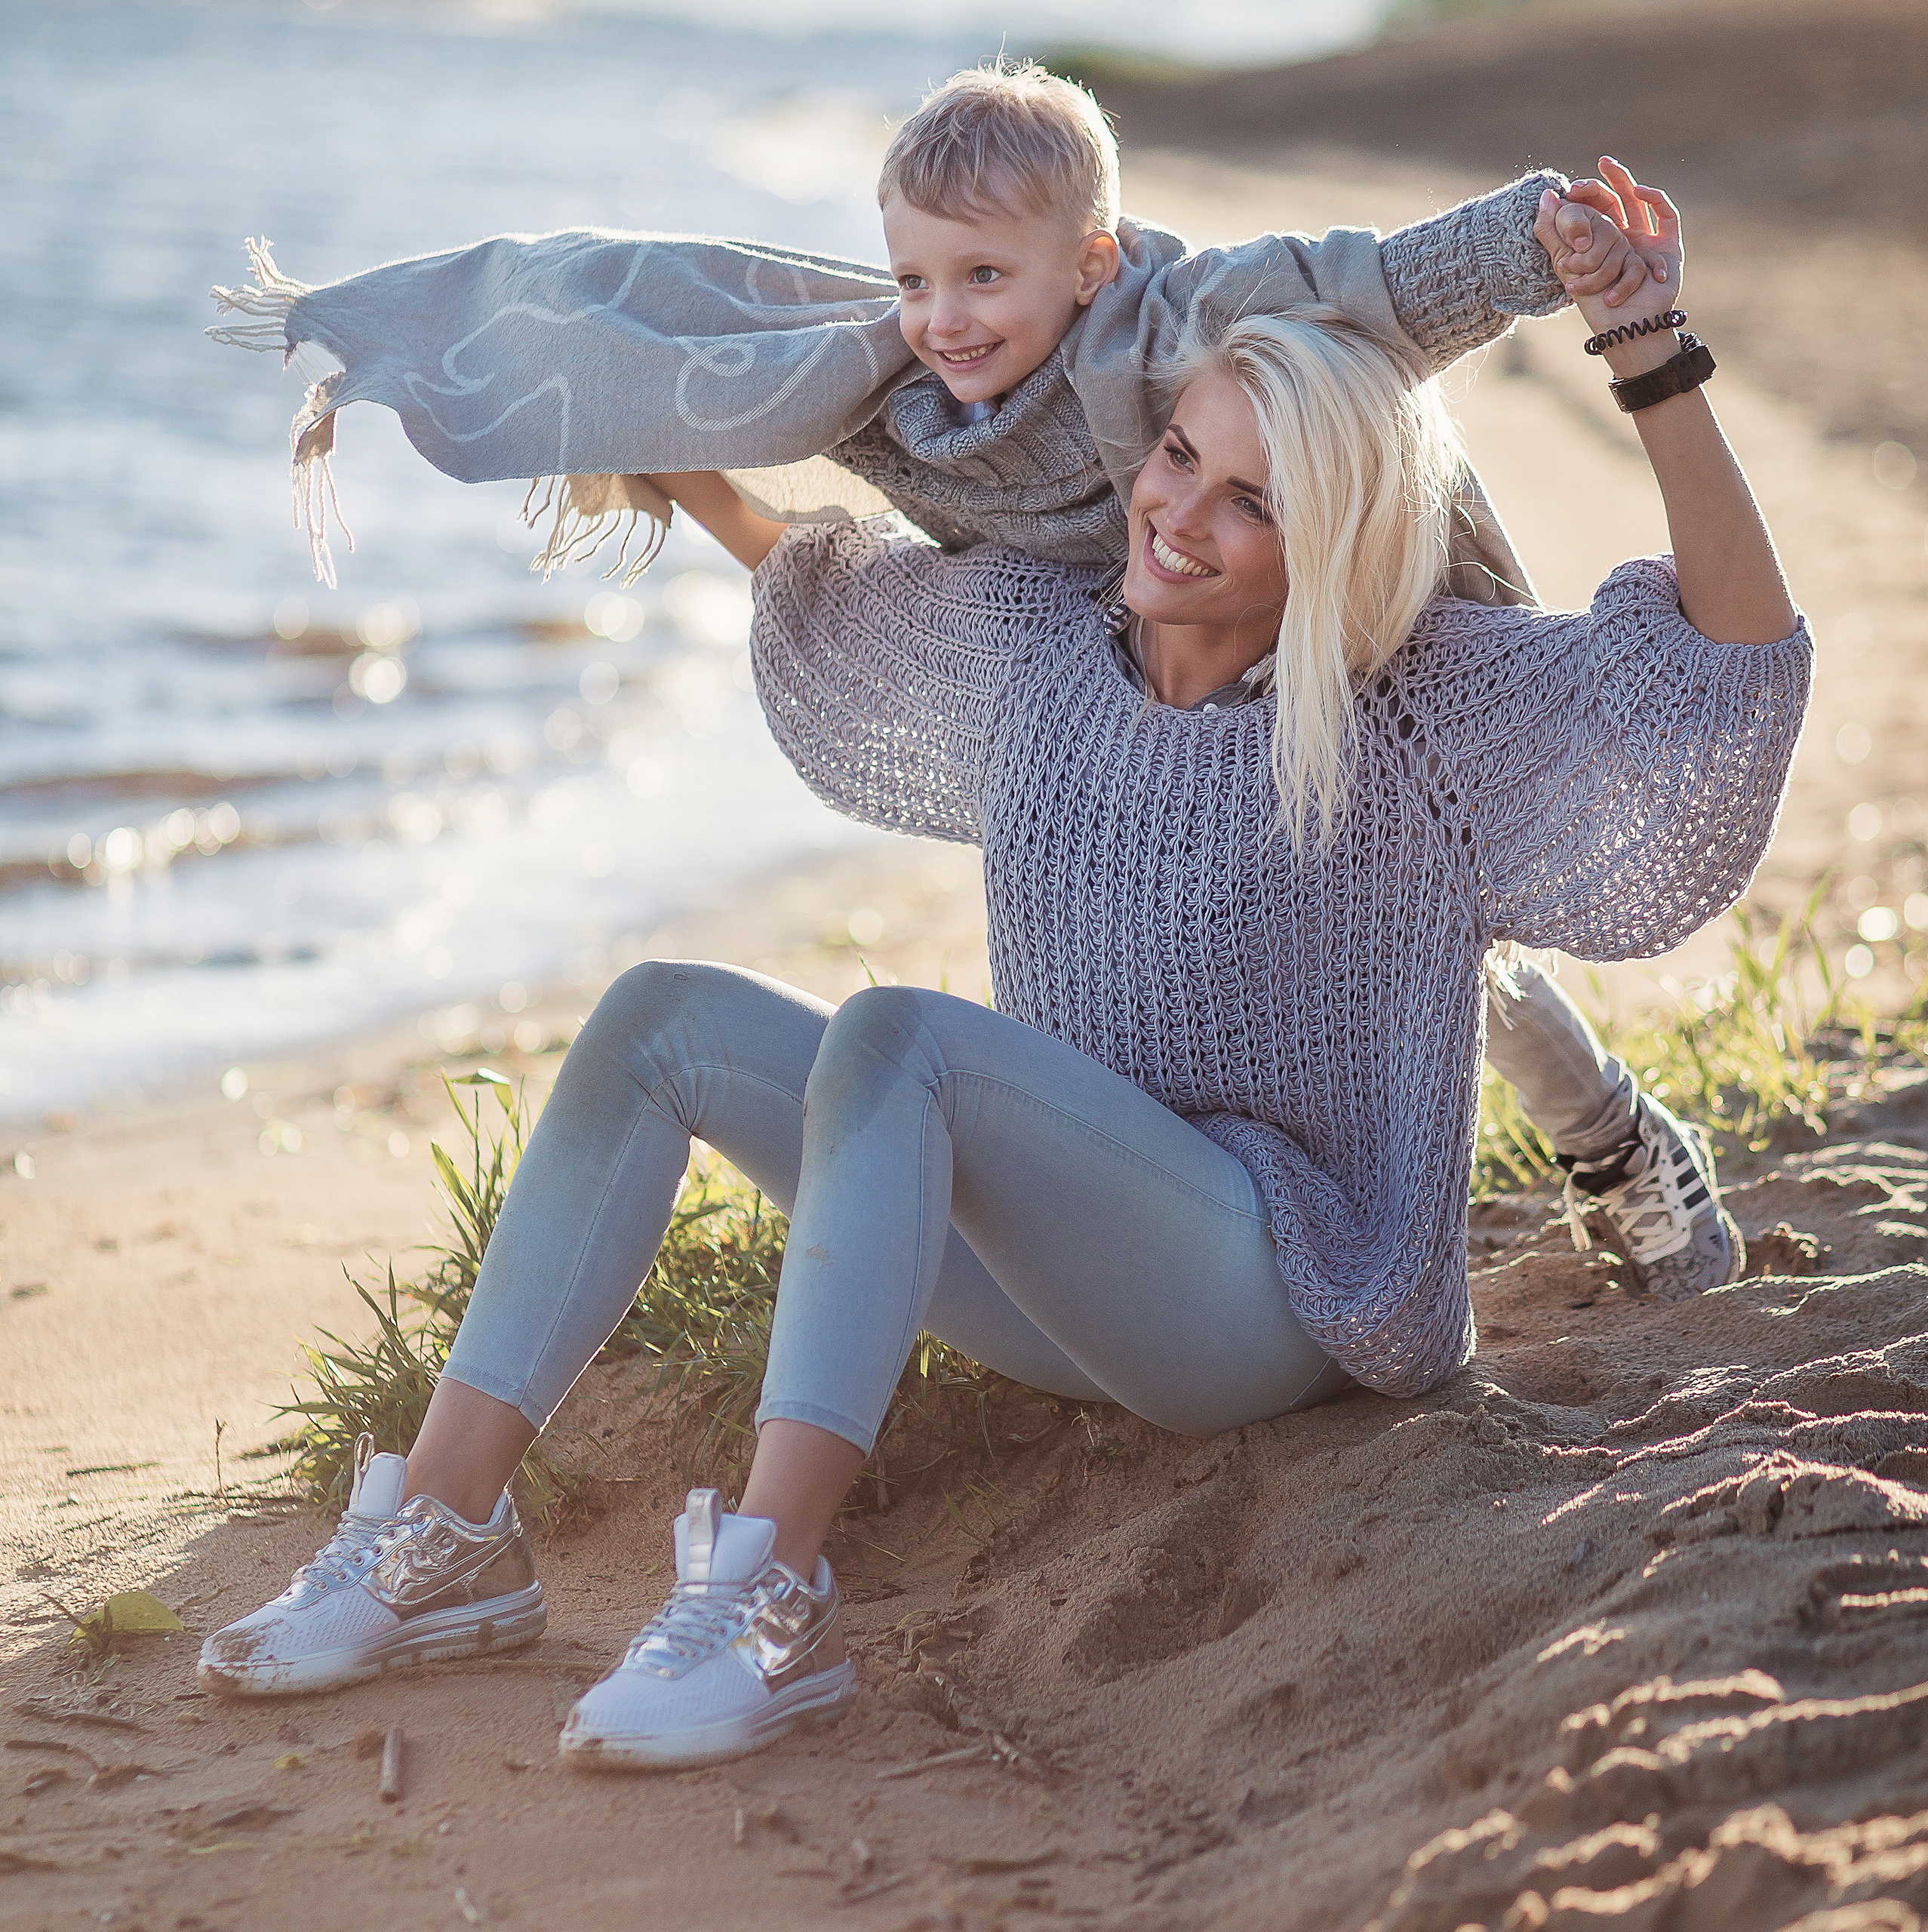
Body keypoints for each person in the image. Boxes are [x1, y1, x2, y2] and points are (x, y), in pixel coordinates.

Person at [200, 164, 1809, 1777]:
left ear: (1329, 538)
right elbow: (809, 580)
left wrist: (1644, 347)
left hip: (1290, 1294)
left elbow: (1723, 667)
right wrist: (672, 461)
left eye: (1251, 500)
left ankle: (770, 1592)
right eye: (1177, 454)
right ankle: (445, 1531)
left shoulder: (1412, 700)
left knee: (902, 1038)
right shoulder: (1041, 640)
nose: (1177, 510)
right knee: (654, 1023)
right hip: (1066, 1284)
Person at [212, 63, 1737, 1297]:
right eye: (913, 274)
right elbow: (702, 335)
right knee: (1252, 924)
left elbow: (1386, 286)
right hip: (1155, 650)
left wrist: (1551, 240)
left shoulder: (1186, 320)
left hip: (1354, 611)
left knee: (1416, 926)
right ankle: (1177, 1192)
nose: (942, 317)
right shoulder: (918, 394)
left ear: (1088, 263)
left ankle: (1604, 1137)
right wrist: (666, 460)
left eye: (983, 276)